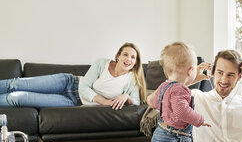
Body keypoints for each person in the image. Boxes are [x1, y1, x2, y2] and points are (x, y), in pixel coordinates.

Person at [0, 42, 147, 109]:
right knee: (15, 84)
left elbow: (137, 101)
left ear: (135, 62)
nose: (129, 59)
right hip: (68, 82)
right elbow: (84, 86)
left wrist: (126, 97)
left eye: (133, 57)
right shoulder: (102, 63)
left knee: (17, 98)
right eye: (126, 55)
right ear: (118, 56)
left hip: (72, 101)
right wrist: (103, 101)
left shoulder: (131, 79)